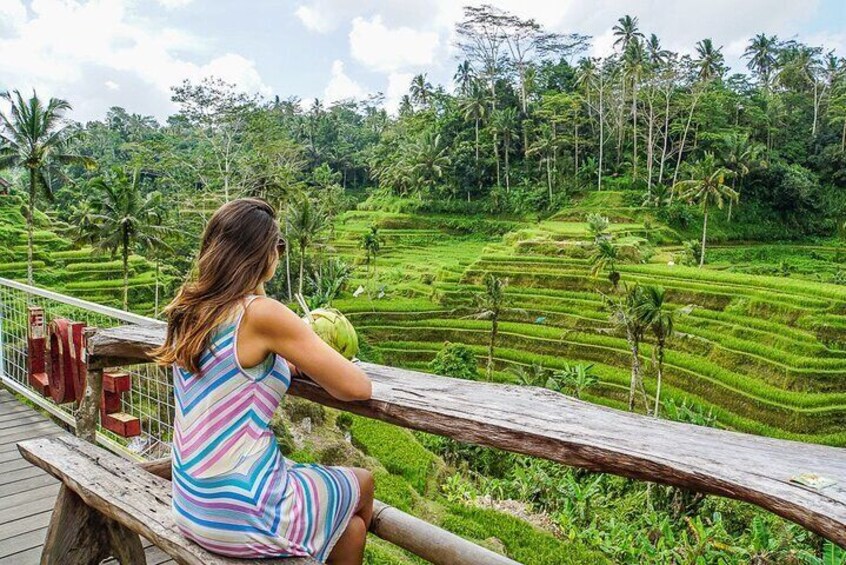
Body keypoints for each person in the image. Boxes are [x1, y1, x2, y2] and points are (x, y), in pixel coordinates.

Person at [153, 198, 374, 564]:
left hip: (191, 503)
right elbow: (357, 388)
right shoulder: (261, 315)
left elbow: (236, 366)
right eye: (278, 246)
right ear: (264, 253)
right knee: (363, 482)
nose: (280, 254)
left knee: (351, 530)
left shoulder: (189, 309)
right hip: (244, 508)